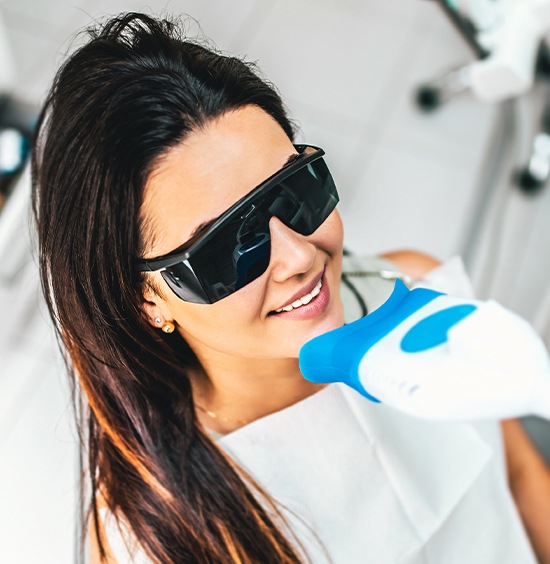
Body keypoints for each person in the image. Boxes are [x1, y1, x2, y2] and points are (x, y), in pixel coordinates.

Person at [31, 12, 550, 564]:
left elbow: (517, 474)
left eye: (292, 191)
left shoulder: (415, 286)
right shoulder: (153, 539)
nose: (301, 257)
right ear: (147, 299)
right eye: (226, 246)